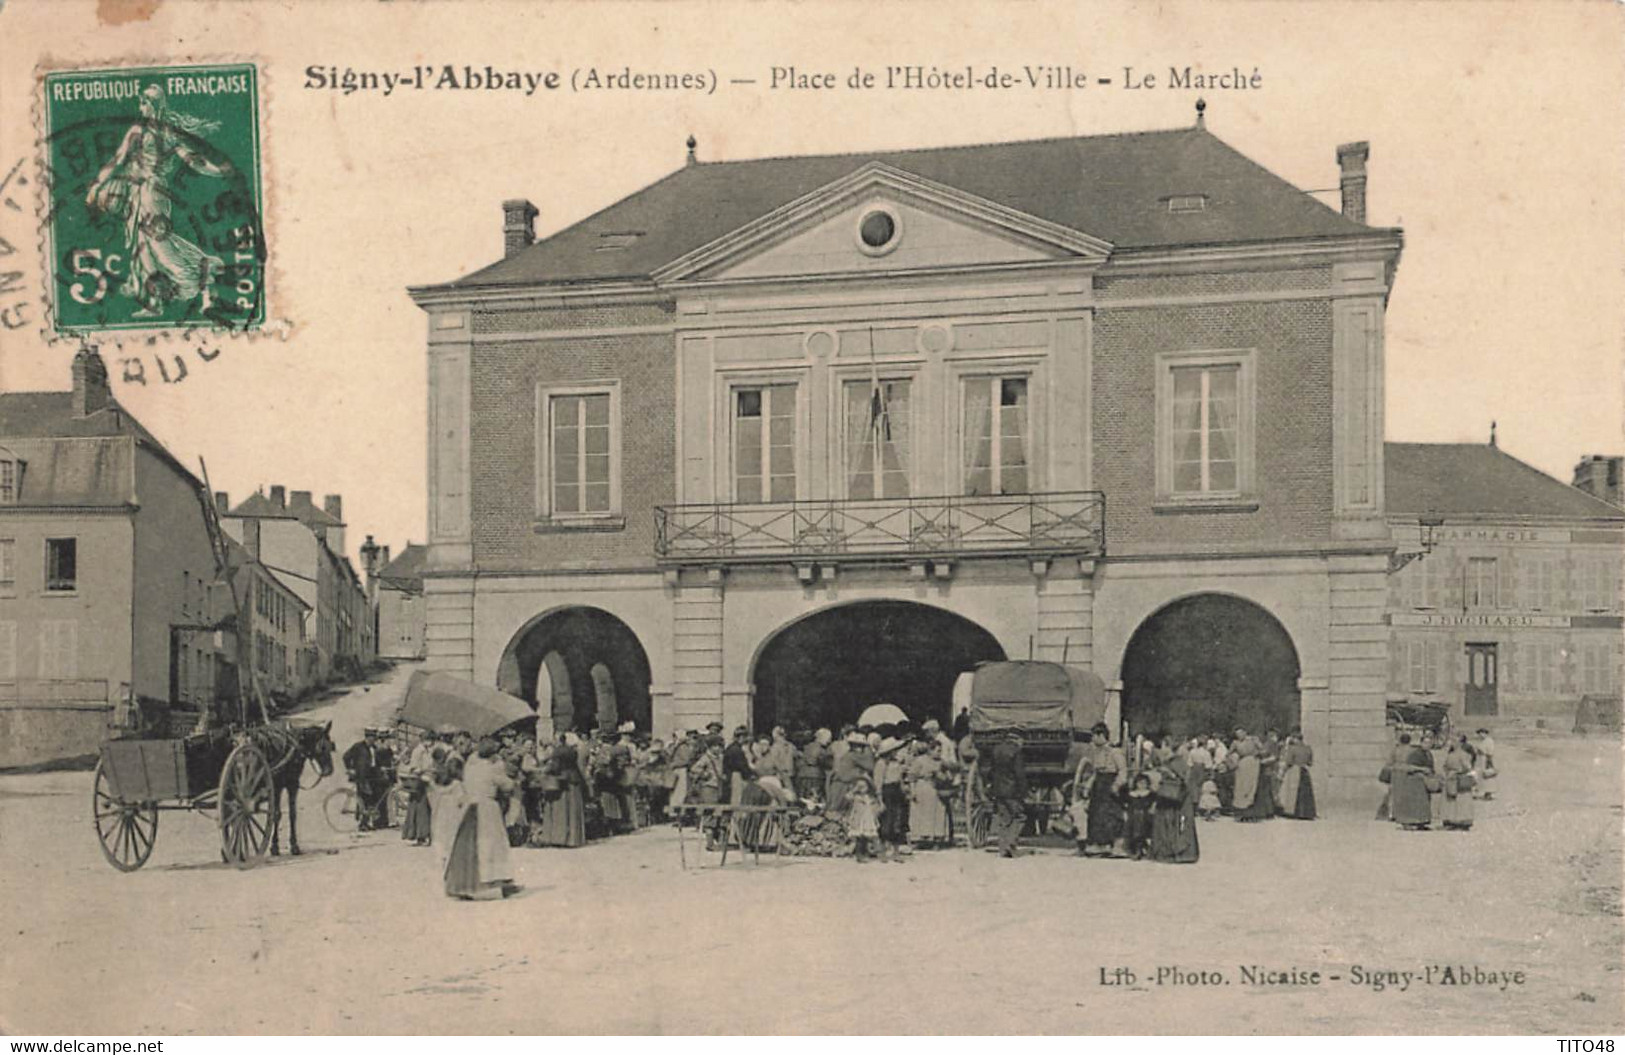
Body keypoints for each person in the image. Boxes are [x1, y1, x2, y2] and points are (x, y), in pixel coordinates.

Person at [444, 738, 518, 900]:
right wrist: (508, 774)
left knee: (469, 844)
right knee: (492, 845)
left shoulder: (469, 767)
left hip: (470, 807)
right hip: (487, 808)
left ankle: (464, 883)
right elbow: (507, 785)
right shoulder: (492, 768)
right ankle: (493, 881)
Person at [1077, 723, 1127, 856]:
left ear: (1101, 735)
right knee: (1096, 815)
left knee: (1112, 815)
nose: (1092, 740)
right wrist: (1088, 786)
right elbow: (1095, 772)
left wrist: (1117, 785)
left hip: (1110, 784)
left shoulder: (1115, 752)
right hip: (1098, 785)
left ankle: (1116, 845)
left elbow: (1122, 771)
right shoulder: (1095, 752)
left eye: (1094, 736)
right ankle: (1099, 844)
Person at [1150, 743, 1201, 864]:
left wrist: (1168, 774)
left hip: (1176, 797)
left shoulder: (1177, 762)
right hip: (1171, 796)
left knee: (1176, 823)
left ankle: (1177, 852)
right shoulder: (1172, 761)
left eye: (1162, 747)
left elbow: (1184, 780)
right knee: (1169, 822)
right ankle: (1169, 851)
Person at [536, 735, 588, 848]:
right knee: (573, 810)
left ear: (558, 740)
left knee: (561, 811)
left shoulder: (557, 751)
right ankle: (574, 839)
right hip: (574, 779)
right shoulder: (573, 751)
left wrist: (544, 770)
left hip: (562, 782)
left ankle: (561, 838)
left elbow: (555, 767)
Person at [984, 733, 1028, 858]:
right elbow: (1019, 773)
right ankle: (1011, 844)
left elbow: (992, 770)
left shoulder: (996, 749)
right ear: (1017, 739)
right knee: (1020, 817)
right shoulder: (1016, 752)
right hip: (1012, 791)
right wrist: (1023, 791)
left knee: (1004, 819)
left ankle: (1002, 848)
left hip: (998, 789)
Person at [342, 727, 392, 831]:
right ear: (367, 737)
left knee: (372, 799)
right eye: (372, 738)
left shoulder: (374, 748)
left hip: (373, 776)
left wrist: (381, 768)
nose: (374, 740)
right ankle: (362, 824)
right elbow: (346, 756)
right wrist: (350, 768)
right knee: (365, 798)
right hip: (362, 776)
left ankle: (368, 822)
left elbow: (376, 762)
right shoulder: (358, 747)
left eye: (374, 738)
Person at [906, 739, 952, 847]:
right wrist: (913, 791)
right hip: (922, 788)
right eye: (937, 751)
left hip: (936, 789)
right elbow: (912, 777)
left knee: (938, 813)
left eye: (940, 751)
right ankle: (922, 837)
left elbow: (948, 775)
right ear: (930, 751)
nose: (939, 753)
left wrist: (944, 776)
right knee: (922, 813)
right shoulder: (920, 761)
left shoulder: (941, 762)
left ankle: (936, 837)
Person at [874, 738, 911, 861]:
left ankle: (896, 851)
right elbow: (878, 783)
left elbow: (899, 779)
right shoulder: (881, 764)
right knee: (886, 822)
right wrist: (879, 800)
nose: (896, 752)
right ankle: (883, 850)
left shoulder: (896, 763)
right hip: (887, 792)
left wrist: (904, 791)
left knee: (897, 821)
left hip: (896, 792)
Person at [1390, 733, 1435, 830]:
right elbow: (1409, 767)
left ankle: (1422, 822)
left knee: (1424, 803)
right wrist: (1422, 769)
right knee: (1414, 804)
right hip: (1414, 782)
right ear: (1421, 743)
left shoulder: (1429, 754)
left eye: (1429, 743)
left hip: (1424, 781)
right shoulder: (1415, 753)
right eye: (1425, 742)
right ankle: (1410, 822)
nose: (1427, 745)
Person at [399, 730, 437, 845]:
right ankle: (420, 835)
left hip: (426, 782)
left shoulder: (427, 751)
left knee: (425, 810)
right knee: (420, 811)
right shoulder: (418, 751)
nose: (431, 743)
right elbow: (414, 768)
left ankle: (426, 834)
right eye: (429, 740)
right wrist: (423, 771)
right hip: (419, 783)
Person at [827, 730, 872, 815]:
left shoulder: (848, 754)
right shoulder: (855, 756)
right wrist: (869, 750)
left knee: (837, 810)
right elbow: (870, 766)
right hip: (843, 786)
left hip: (838, 784)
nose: (861, 749)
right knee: (841, 811)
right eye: (860, 746)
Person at [1276, 731, 1317, 820]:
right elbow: (1310, 762)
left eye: (1293, 739)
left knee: (1293, 792)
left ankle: (1294, 811)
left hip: (1295, 770)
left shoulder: (1292, 749)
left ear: (1296, 739)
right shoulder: (1308, 748)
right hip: (1304, 770)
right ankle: (1306, 812)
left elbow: (1289, 761)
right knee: (1305, 792)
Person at [1440, 737, 1476, 831]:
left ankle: (1457, 821)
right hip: (1455, 779)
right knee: (1457, 801)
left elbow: (1467, 767)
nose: (1452, 743)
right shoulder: (1457, 755)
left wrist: (1455, 771)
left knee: (1457, 801)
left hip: (1456, 779)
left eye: (1454, 741)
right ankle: (1456, 821)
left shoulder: (1458, 755)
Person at [846, 776, 881, 862]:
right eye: (859, 786)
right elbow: (848, 796)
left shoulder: (870, 797)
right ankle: (859, 855)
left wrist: (876, 814)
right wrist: (854, 789)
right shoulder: (856, 797)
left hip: (868, 818)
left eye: (864, 786)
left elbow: (876, 806)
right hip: (859, 819)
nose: (862, 789)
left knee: (867, 837)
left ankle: (865, 853)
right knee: (859, 837)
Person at [795, 728, 832, 803]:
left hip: (802, 775)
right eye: (828, 739)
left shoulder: (807, 747)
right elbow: (824, 762)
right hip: (816, 776)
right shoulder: (821, 750)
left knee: (803, 798)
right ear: (822, 737)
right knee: (814, 798)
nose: (829, 741)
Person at [1123, 774, 1155, 859]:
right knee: (1135, 819)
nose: (1142, 785)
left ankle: (1140, 847)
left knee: (1140, 818)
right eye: (1140, 783)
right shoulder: (1131, 795)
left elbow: (1154, 805)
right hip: (1132, 818)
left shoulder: (1150, 794)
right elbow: (1126, 806)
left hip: (1147, 818)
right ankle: (1136, 848)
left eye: (1144, 783)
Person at [1474, 728, 1497, 800]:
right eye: (1479, 734)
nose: (1480, 735)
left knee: (1487, 776)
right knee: (1480, 775)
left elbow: (1490, 752)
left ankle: (1489, 793)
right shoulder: (1481, 741)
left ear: (1485, 733)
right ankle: (1483, 791)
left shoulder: (1489, 741)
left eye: (1481, 733)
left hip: (1486, 759)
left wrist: (1488, 760)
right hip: (1480, 760)